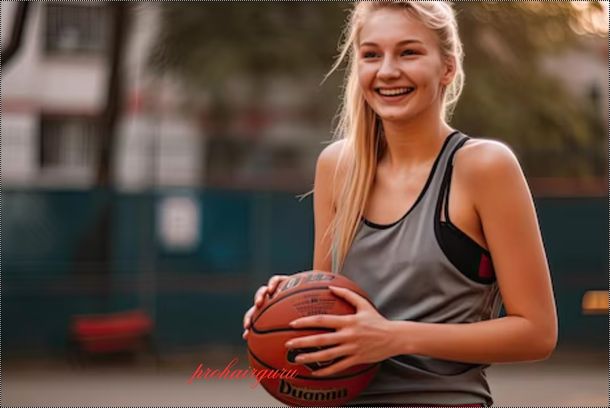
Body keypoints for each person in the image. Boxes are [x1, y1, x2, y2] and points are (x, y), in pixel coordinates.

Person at [243, 1, 558, 406]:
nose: (387, 70)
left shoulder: (484, 167)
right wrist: (286, 305)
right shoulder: (336, 167)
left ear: (447, 67)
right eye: (372, 54)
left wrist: (391, 337)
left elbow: (537, 333)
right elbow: (330, 304)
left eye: (409, 52)